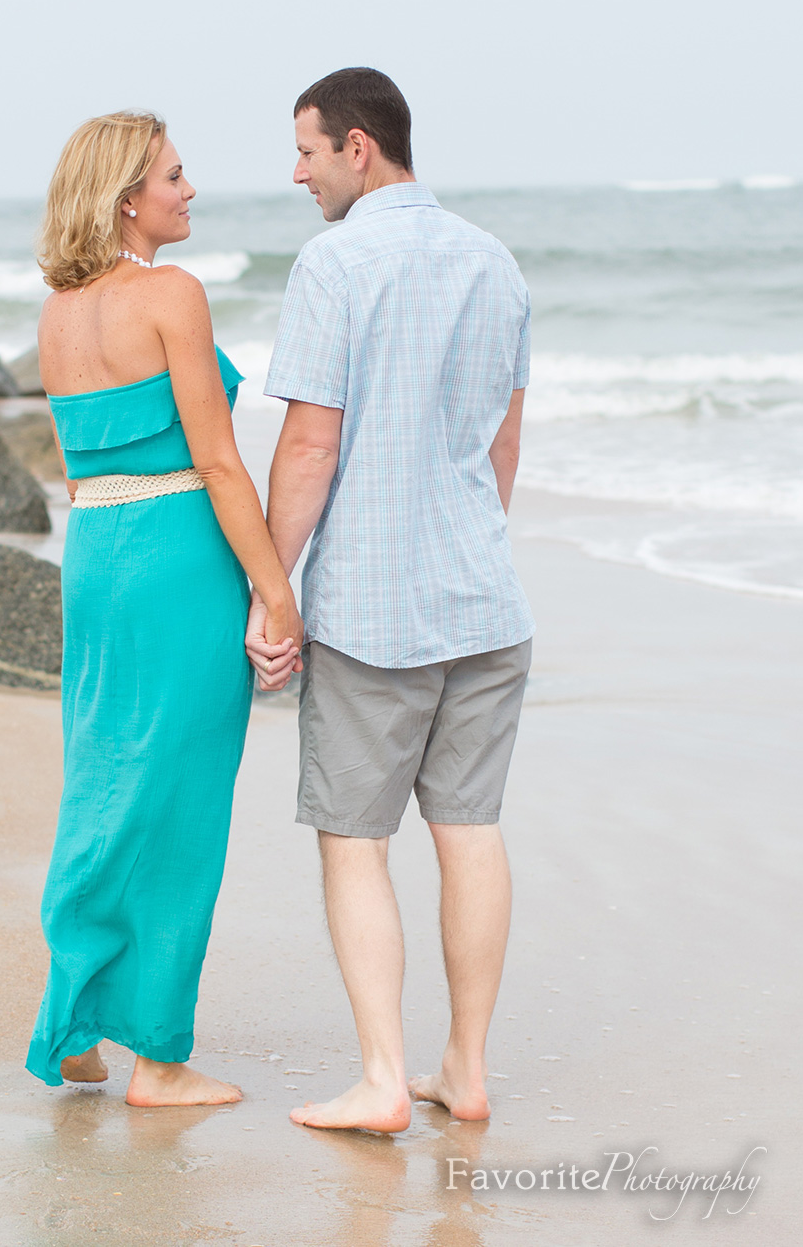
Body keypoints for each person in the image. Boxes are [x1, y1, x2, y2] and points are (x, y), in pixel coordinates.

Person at [248, 68, 534, 1132]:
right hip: (486, 603)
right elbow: (502, 443)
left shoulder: (336, 262)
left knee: (354, 838)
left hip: (373, 611)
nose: (299, 171)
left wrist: (273, 592)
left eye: (309, 150)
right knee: (471, 830)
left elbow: (311, 444)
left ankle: (381, 1078)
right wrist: (472, 546)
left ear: (359, 148)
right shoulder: (494, 260)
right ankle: (464, 1069)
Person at [27, 111, 302, 1108]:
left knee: (102, 784)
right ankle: (161, 1061)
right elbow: (220, 461)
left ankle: (72, 1030)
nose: (189, 192)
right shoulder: (171, 295)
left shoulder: (56, 314)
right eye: (175, 177)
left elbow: (77, 471)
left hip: (96, 557)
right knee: (180, 803)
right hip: (180, 559)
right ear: (126, 196)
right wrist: (278, 593)